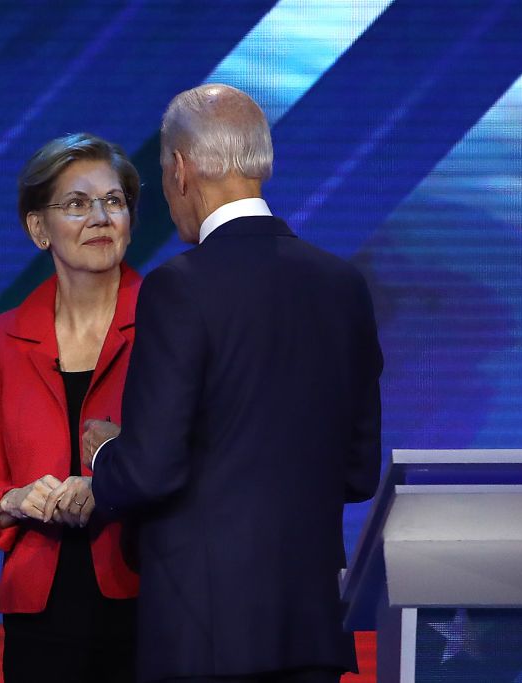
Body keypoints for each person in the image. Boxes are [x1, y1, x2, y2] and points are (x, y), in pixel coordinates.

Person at [76, 84, 383, 683]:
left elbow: (151, 469)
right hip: (311, 632)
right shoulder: (342, 285)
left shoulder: (179, 287)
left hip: (206, 639)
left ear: (182, 170)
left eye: (163, 174)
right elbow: (358, 470)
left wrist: (109, 452)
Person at [0, 133, 141, 682]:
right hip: (40, 608)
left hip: (152, 593)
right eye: (77, 203)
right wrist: (15, 499)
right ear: (39, 228)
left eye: (114, 201)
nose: (101, 217)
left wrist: (108, 486)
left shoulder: (172, 322)